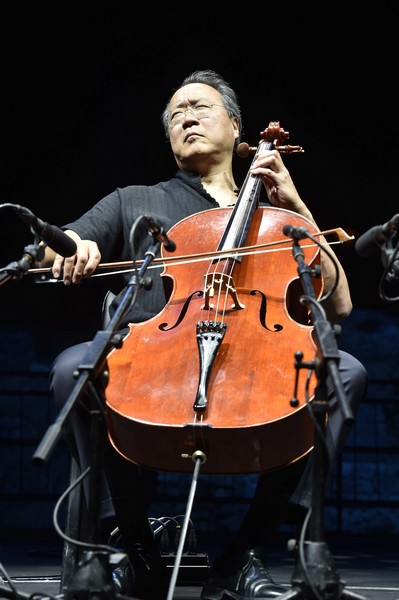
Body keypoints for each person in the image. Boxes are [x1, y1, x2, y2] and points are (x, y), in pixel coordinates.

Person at [38, 70, 367, 600]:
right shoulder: (134, 199)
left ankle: (243, 554)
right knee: (72, 367)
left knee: (344, 372)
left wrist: (294, 202)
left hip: (250, 362)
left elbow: (340, 303)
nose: (185, 117)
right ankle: (132, 547)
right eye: (174, 115)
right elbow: (60, 247)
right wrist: (76, 247)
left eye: (198, 107)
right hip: (150, 365)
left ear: (237, 129)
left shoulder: (275, 216)